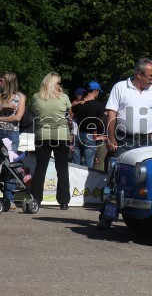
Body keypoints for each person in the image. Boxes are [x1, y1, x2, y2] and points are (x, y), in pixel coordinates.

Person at [30, 72, 72, 210]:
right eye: (59, 83)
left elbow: (34, 112)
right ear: (55, 84)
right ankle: (64, 201)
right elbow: (69, 112)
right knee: (62, 168)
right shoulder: (64, 97)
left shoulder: (36, 97)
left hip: (42, 134)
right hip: (61, 135)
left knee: (40, 168)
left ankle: (36, 199)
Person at [105, 58, 152, 158]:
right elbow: (111, 114)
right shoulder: (120, 87)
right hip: (123, 142)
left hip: (147, 142)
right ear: (139, 74)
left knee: (143, 172)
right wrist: (111, 137)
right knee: (119, 171)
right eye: (150, 76)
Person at [0, 71, 27, 209]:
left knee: (10, 166)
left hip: (11, 133)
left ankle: (9, 199)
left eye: (2, 80)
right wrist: (3, 107)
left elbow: (18, 117)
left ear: (9, 82)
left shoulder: (20, 96)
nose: (0, 83)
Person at [71, 81, 105, 168]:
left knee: (75, 163)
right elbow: (99, 122)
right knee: (88, 164)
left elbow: (72, 109)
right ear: (95, 91)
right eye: (98, 92)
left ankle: (73, 180)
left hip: (78, 135)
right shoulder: (98, 106)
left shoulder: (79, 104)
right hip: (90, 135)